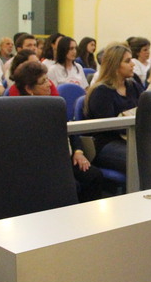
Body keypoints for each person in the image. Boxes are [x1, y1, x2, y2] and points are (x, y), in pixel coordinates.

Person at [15, 60, 104, 202]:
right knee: (70, 186)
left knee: (94, 175)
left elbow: (71, 130)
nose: (49, 84)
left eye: (47, 79)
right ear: (29, 89)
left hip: (65, 158)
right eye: (43, 82)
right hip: (44, 164)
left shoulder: (55, 105)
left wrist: (78, 152)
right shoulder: (21, 114)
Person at [85, 43, 143, 172]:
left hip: (131, 139)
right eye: (127, 61)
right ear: (115, 65)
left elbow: (145, 112)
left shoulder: (133, 86)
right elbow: (109, 127)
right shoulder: (101, 92)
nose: (133, 64)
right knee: (142, 160)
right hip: (107, 143)